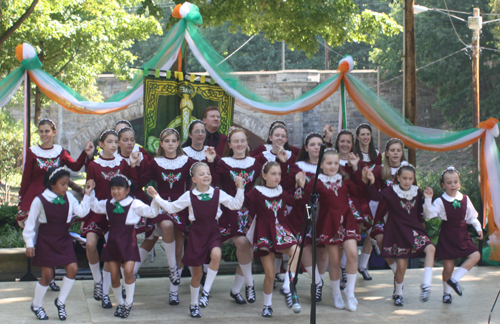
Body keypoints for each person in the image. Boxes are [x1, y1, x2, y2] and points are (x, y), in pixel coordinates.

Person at [148, 162, 245, 318]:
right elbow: (172, 208)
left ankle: (205, 292)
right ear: (193, 179)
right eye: (201, 174)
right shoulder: (189, 196)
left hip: (213, 231)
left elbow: (235, 205)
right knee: (196, 274)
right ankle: (193, 304)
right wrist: (156, 197)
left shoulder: (218, 193)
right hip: (196, 234)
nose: (206, 176)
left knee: (216, 255)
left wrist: (240, 187)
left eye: (208, 173)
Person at [23, 167, 93, 320]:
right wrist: (29, 243)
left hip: (63, 238)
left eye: (67, 184)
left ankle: (60, 302)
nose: (66, 187)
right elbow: (30, 224)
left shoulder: (68, 197)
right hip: (46, 239)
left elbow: (81, 212)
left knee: (73, 269)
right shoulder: (39, 200)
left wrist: (87, 195)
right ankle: (36, 305)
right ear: (52, 184)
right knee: (47, 276)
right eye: (63, 184)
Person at [363, 162, 435, 306]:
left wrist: (428, 199)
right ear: (398, 178)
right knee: (402, 267)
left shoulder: (417, 191)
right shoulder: (391, 190)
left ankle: (426, 285)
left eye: (410, 178)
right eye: (404, 178)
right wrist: (370, 181)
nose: (407, 181)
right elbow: (375, 196)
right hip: (397, 231)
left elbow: (422, 213)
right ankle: (398, 293)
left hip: (414, 230)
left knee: (431, 249)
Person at [84, 129, 140, 309]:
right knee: (91, 244)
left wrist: (132, 166)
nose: (114, 145)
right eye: (110, 142)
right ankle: (98, 281)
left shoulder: (122, 163)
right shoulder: (93, 165)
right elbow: (89, 188)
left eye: (116, 142)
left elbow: (131, 185)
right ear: (101, 145)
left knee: (111, 256)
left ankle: (106, 294)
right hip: (97, 209)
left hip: (115, 213)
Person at [88, 175, 157, 318]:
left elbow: (152, 212)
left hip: (128, 243)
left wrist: (155, 198)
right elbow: (94, 205)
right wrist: (90, 191)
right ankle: (119, 304)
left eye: (119, 188)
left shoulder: (134, 204)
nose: (115, 191)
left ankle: (128, 303)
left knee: (128, 271)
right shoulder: (108, 203)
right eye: (113, 188)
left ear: (127, 190)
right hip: (113, 243)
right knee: (114, 276)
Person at [140, 128, 196, 305]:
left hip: (181, 207)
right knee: (166, 226)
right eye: (167, 141)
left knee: (179, 249)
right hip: (162, 204)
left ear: (178, 143)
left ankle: (174, 292)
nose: (170, 144)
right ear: (161, 144)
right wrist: (135, 165)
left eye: (174, 140)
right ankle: (172, 268)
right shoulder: (155, 162)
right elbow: (141, 181)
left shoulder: (187, 161)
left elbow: (201, 177)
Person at [304, 149, 363, 312]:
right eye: (329, 163)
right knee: (335, 260)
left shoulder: (344, 179)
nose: (333, 166)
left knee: (352, 253)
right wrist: (309, 219)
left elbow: (359, 192)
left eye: (336, 163)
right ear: (321, 164)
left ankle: (350, 292)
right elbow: (307, 202)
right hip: (328, 223)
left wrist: (357, 170)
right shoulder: (316, 181)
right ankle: (337, 293)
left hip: (347, 221)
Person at [206, 128, 260, 304]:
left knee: (248, 249)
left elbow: (264, 183)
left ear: (247, 143)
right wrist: (211, 162)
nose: (239, 144)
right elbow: (212, 182)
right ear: (230, 144)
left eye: (242, 140)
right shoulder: (223, 163)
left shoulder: (256, 163)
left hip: (251, 211)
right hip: (231, 210)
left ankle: (236, 290)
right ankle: (250, 285)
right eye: (235, 141)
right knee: (242, 243)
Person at [245, 161, 305, 317]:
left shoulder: (281, 191)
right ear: (264, 176)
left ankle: (287, 282)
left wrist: (300, 187)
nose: (277, 177)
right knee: (270, 274)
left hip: (281, 231)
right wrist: (239, 188)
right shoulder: (256, 192)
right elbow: (242, 205)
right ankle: (267, 305)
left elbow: (296, 203)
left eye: (279, 174)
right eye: (273, 173)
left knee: (297, 249)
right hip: (264, 234)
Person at [423, 166, 483, 304]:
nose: (453, 185)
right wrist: (428, 199)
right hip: (448, 236)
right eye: (449, 183)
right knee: (448, 267)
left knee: (475, 255)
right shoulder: (440, 201)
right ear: (443, 185)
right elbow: (429, 214)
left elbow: (471, 217)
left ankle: (455, 280)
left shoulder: (465, 199)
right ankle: (446, 293)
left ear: (459, 183)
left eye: (455, 182)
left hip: (462, 235)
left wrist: (478, 227)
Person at [279, 132, 325, 302]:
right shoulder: (298, 166)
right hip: (304, 211)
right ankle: (317, 282)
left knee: (322, 249)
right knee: (303, 244)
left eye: (319, 145)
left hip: (323, 212)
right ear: (306, 148)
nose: (316, 148)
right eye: (312, 144)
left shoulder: (327, 166)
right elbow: (285, 186)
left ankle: (319, 282)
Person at [335, 130, 374, 283]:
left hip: (355, 201)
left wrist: (355, 168)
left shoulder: (358, 162)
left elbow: (361, 189)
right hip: (336, 199)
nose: (345, 144)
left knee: (358, 223)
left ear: (353, 144)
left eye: (348, 142)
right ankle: (338, 268)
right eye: (342, 141)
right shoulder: (332, 160)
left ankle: (345, 266)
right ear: (338, 143)